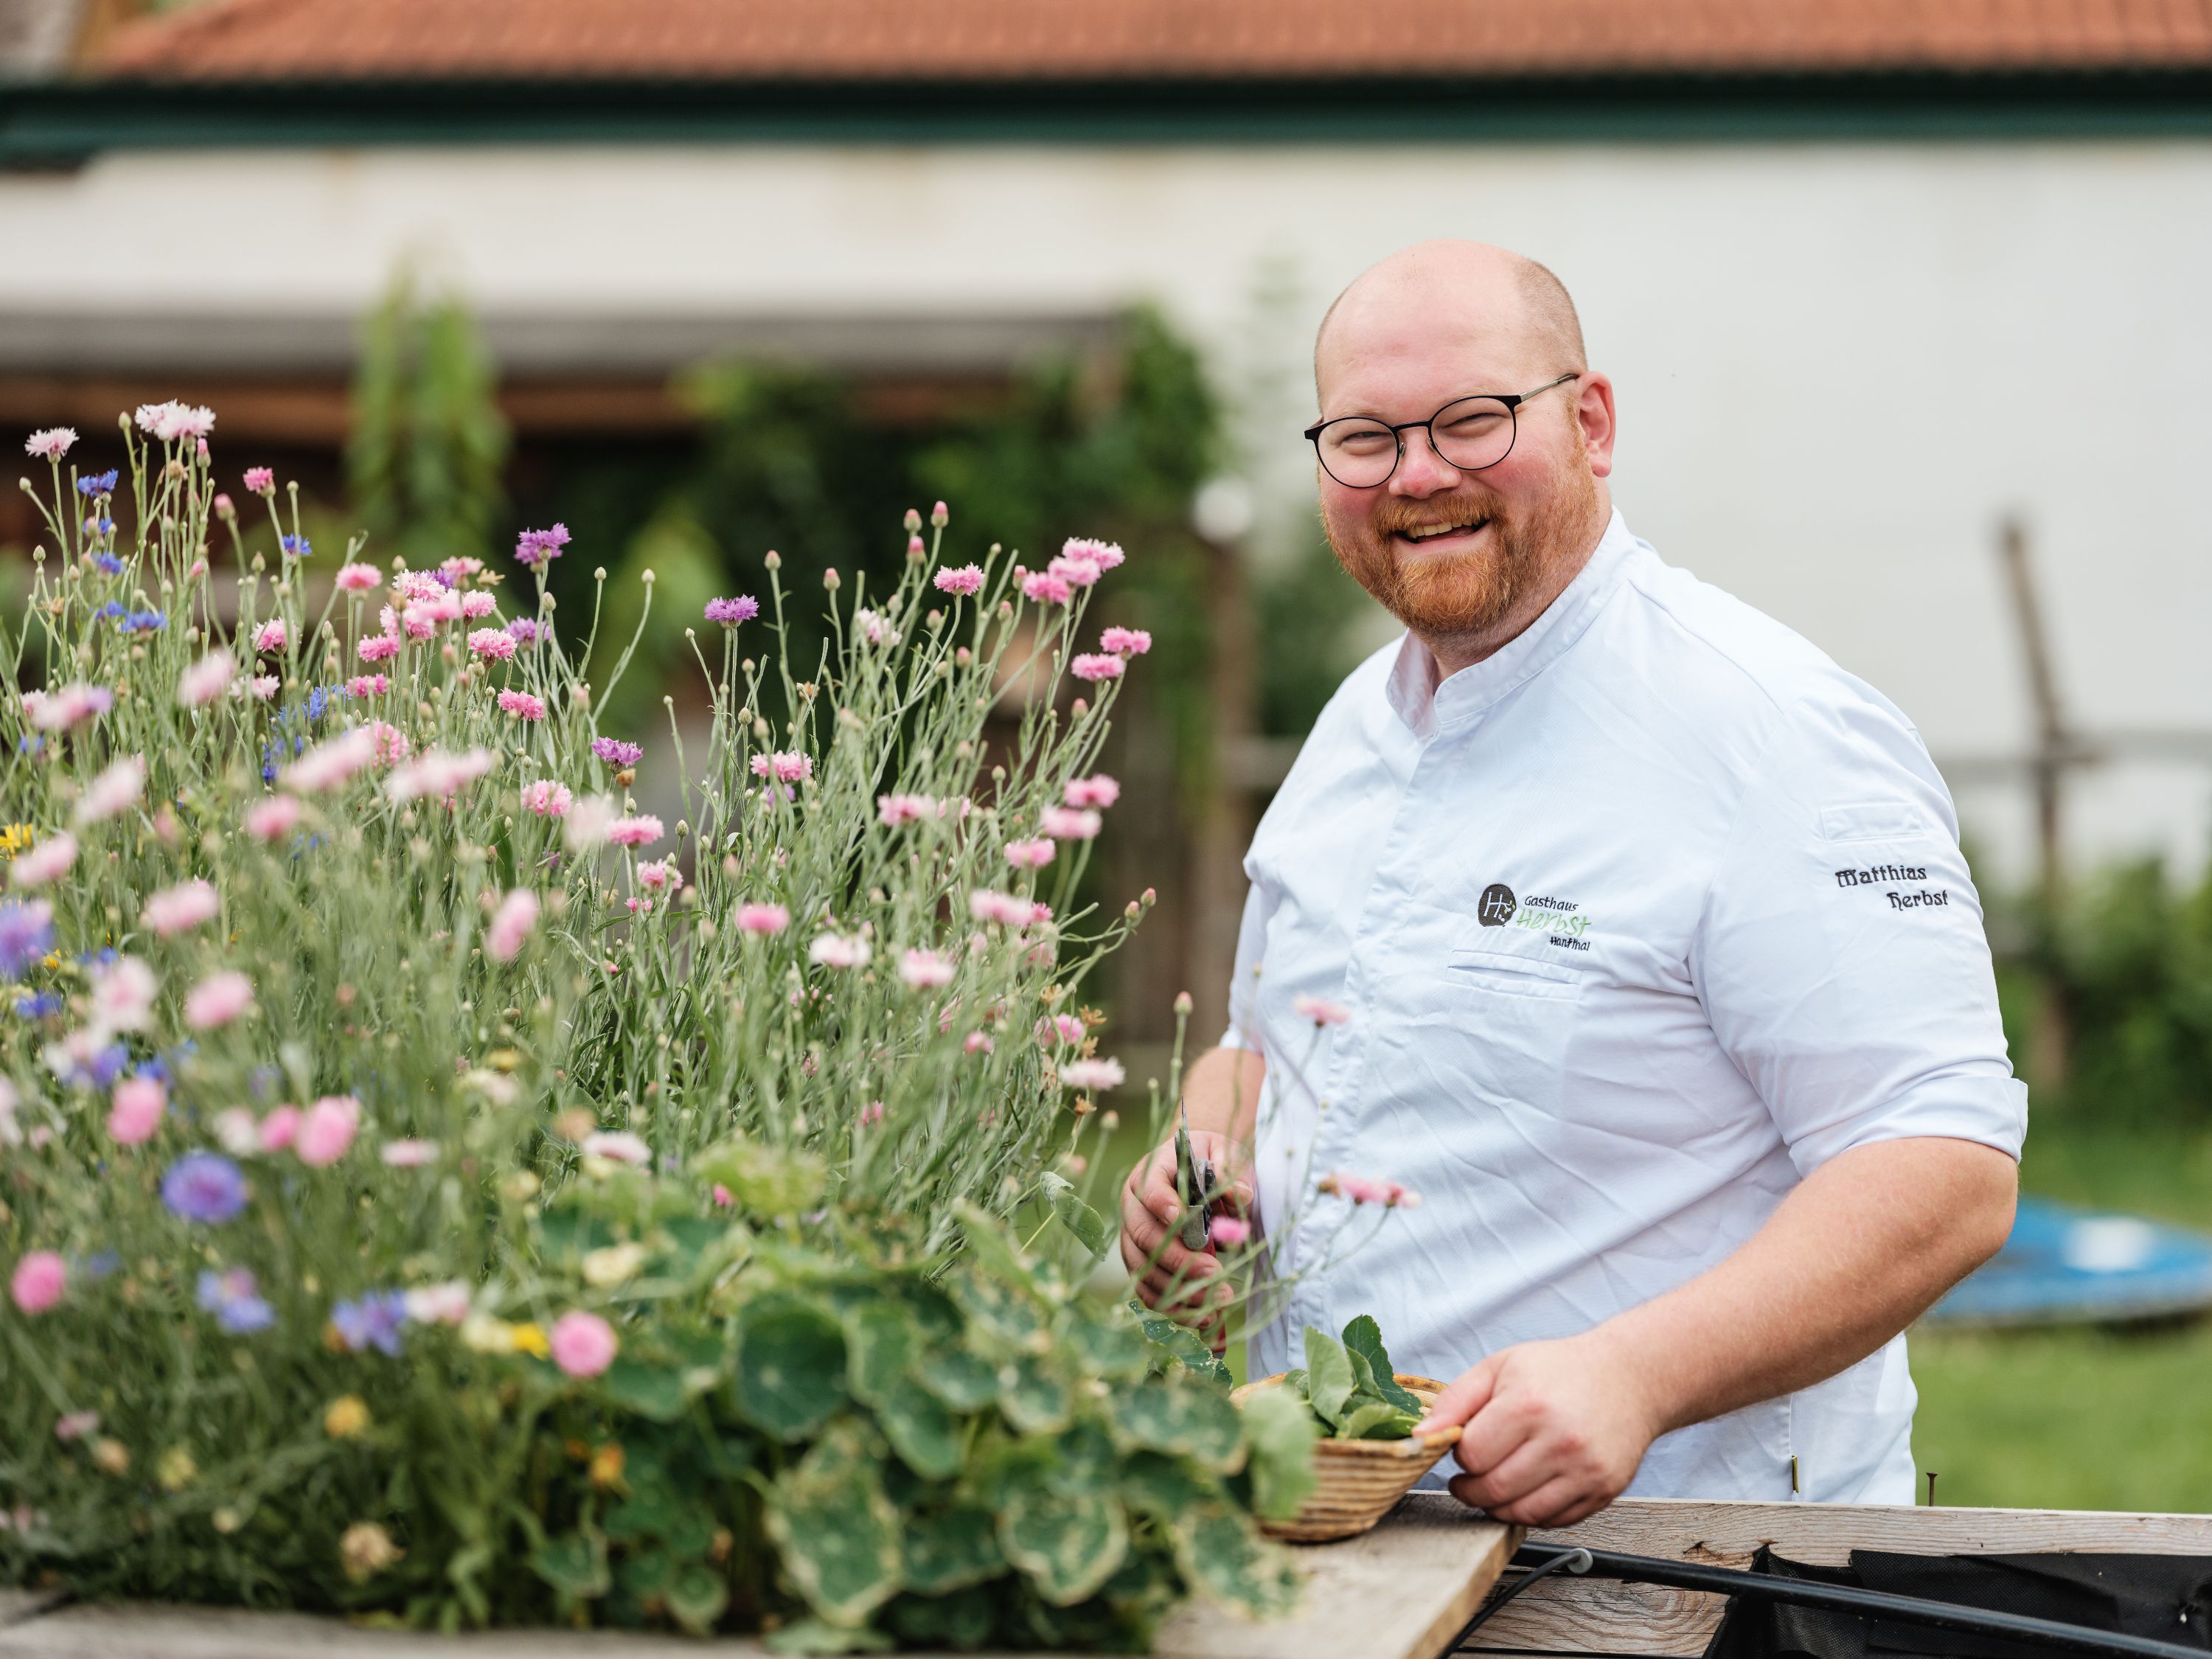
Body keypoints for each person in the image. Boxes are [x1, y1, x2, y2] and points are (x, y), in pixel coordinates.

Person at [1119, 239, 2024, 1527]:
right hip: (1336, 1543)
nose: (1419, 474)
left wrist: (1636, 1376)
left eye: (1474, 420)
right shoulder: (1351, 731)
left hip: (1684, 1566)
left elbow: (1945, 1164)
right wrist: (1204, 1159)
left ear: (1591, 422)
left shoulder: (1771, 728)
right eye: (1366, 437)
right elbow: (1267, 1047)